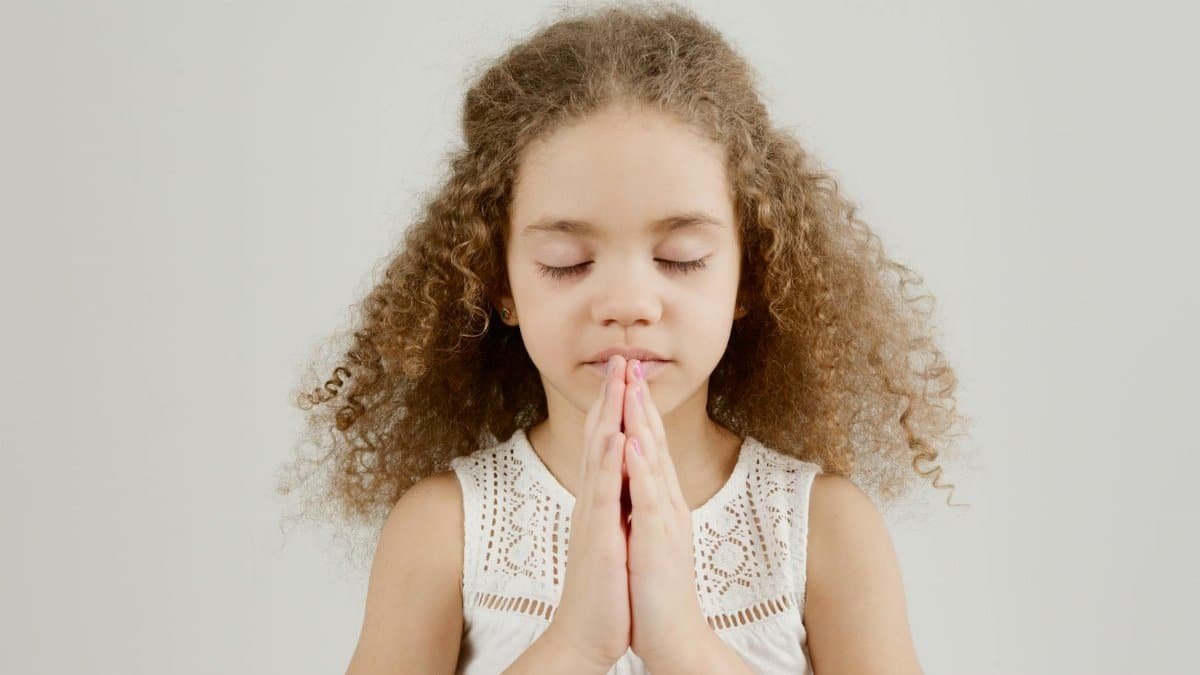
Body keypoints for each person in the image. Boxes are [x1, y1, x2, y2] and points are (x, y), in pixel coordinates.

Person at [280, 3, 969, 673]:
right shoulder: (443, 532)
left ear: (751, 273)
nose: (628, 304)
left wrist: (685, 649)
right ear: (501, 282)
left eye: (680, 258)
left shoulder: (824, 530)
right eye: (568, 264)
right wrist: (575, 645)